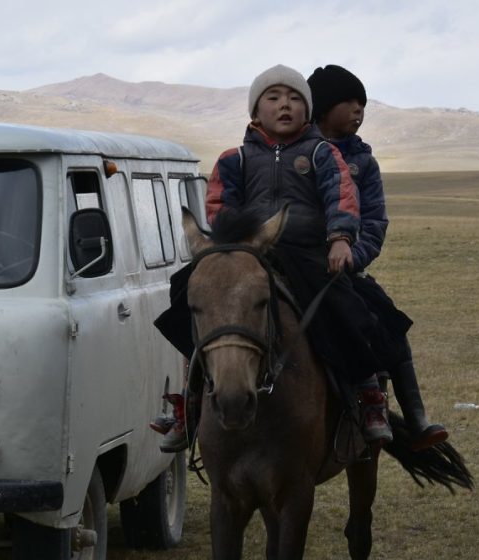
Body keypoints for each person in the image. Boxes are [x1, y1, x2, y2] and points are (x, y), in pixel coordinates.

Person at [153, 64, 391, 452]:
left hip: (309, 255)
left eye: (295, 98)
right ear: (255, 111)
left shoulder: (322, 153)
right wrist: (240, 242)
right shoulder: (234, 159)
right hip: (251, 252)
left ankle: (369, 397)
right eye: (274, 97)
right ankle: (190, 402)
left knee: (349, 309)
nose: (285, 105)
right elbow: (219, 206)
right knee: (187, 297)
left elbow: (342, 196)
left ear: (307, 110)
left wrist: (340, 240)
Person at [307, 64, 448, 451]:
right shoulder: (296, 153)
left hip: (343, 269)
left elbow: (373, 222)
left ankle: (415, 418)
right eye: (350, 102)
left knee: (389, 323)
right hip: (296, 263)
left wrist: (353, 258)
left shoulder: (364, 163)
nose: (359, 110)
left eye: (363, 104)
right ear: (324, 107)